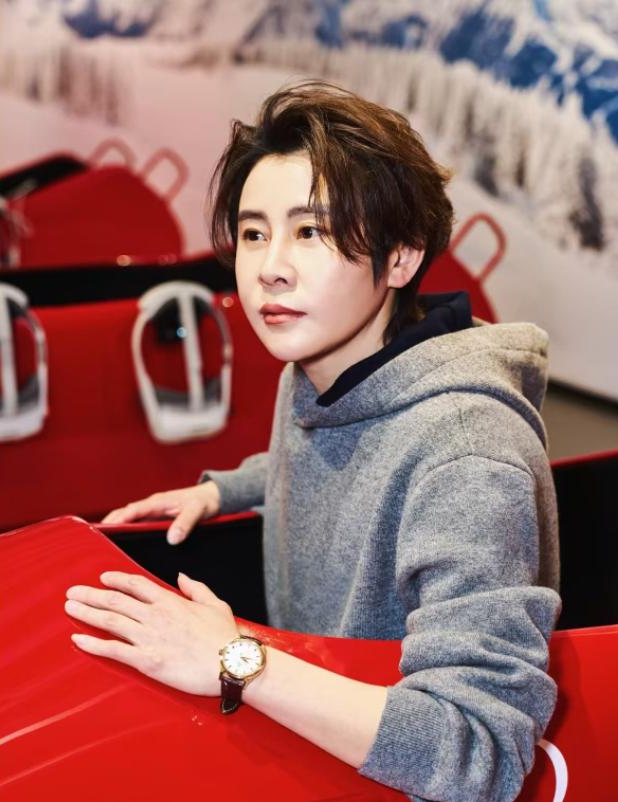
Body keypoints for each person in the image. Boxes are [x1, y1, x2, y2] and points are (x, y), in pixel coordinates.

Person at [65, 80, 562, 802]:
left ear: (401, 258)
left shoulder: (467, 455)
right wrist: (227, 490)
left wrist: (237, 660)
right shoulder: (322, 372)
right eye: (255, 233)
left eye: (311, 232)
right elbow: (345, 452)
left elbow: (478, 752)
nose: (270, 267)